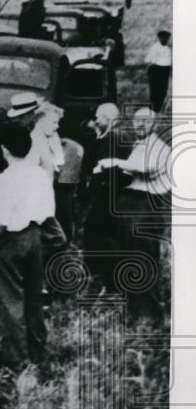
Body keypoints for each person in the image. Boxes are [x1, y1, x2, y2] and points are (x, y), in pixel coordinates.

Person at [0, 122, 64, 369]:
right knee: (33, 293)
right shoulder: (38, 173)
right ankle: (37, 346)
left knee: (9, 297)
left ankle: (15, 356)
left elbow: (1, 219)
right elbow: (48, 210)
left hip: (10, 239)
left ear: (4, 150)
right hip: (35, 236)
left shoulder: (7, 178)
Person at [98, 107, 171, 322]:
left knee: (143, 258)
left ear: (155, 124)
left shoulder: (159, 147)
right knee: (128, 257)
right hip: (131, 205)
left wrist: (115, 162)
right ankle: (134, 311)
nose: (140, 125)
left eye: (145, 121)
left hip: (145, 206)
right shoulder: (140, 145)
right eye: (136, 121)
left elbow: (146, 168)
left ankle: (149, 316)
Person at [80, 102, 128, 291]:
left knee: (98, 233)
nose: (95, 120)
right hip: (111, 194)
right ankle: (106, 278)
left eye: (98, 117)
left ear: (107, 118)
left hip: (108, 195)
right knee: (101, 233)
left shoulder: (112, 138)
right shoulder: (113, 135)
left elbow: (105, 169)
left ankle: (105, 279)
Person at [146, 29, 172, 112]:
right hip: (156, 70)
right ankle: (153, 109)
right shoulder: (155, 47)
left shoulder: (168, 49)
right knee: (155, 90)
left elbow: (168, 61)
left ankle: (160, 108)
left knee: (163, 90)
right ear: (159, 38)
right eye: (163, 38)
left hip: (165, 71)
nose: (164, 40)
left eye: (166, 38)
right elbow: (148, 59)